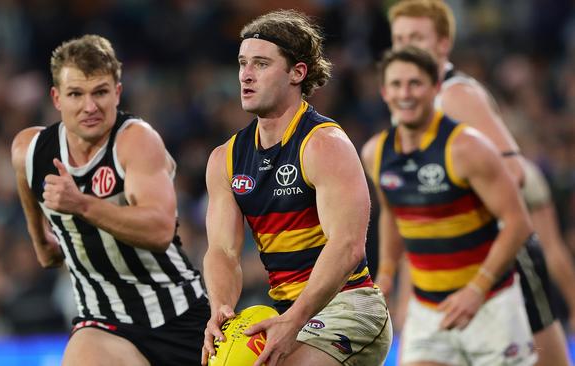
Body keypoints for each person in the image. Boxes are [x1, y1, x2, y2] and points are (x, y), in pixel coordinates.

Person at [382, 1, 575, 365]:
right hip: (447, 262)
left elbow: (513, 170)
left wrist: (459, 187)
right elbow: (413, 209)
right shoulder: (410, 102)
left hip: (499, 255)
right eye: (400, 38)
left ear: (442, 44)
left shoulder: (456, 96)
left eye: (417, 37)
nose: (407, 45)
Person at [201, 10, 391, 366]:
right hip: (286, 311)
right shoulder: (224, 159)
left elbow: (347, 246)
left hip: (349, 306)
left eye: (261, 64)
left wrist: (296, 317)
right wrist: (221, 310)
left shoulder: (324, 144)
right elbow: (223, 252)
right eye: (242, 63)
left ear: (297, 72)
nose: (245, 75)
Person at [10, 34, 209, 366]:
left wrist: (82, 205)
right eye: (76, 94)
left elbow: (160, 231)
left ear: (117, 92)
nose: (90, 107)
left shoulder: (135, 141)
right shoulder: (28, 152)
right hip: (103, 323)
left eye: (100, 92)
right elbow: (45, 251)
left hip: (179, 316)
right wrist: (49, 242)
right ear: (56, 98)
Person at [362, 45, 537, 365]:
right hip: (428, 310)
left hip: (491, 305)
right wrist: (386, 274)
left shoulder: (468, 147)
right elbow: (392, 213)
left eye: (415, 83)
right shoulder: (376, 152)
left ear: (435, 88)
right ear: (384, 92)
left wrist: (477, 289)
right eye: (397, 85)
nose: (406, 94)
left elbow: (518, 222)